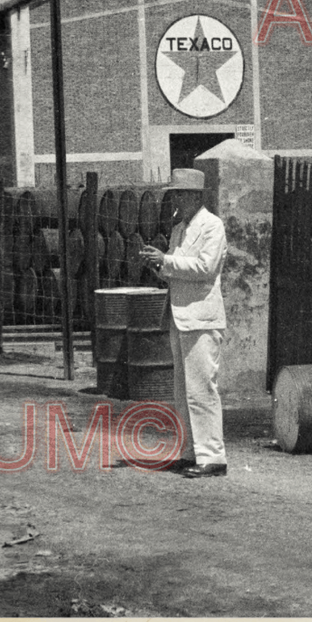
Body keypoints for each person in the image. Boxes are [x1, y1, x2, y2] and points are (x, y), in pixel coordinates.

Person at [140, 168, 228, 479]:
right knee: (183, 391)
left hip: (201, 318)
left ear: (195, 196)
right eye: (174, 194)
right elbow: (176, 270)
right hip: (180, 316)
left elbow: (205, 267)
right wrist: (158, 265)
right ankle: (190, 451)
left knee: (202, 389)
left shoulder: (212, 226)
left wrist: (166, 260)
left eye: (180, 193)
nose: (175, 199)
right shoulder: (181, 229)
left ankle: (213, 456)